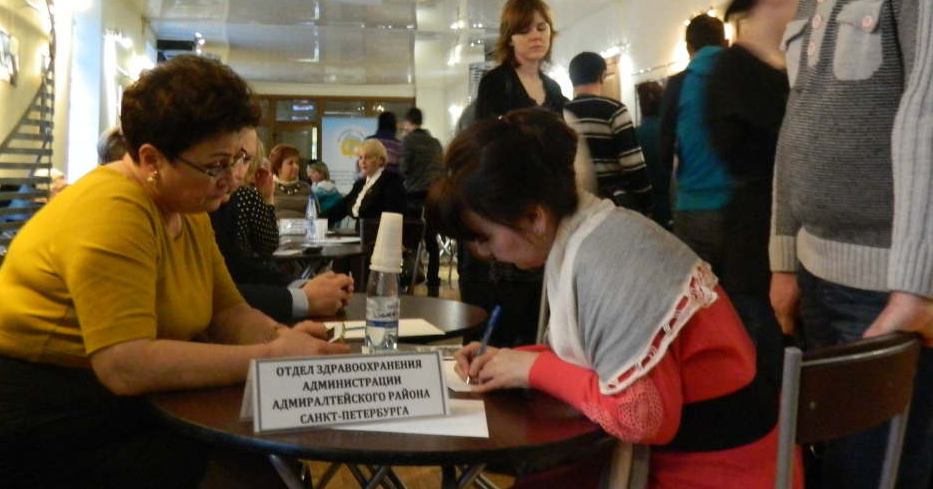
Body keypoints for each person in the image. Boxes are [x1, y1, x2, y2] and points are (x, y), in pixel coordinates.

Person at [0, 55, 348, 488]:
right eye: (216, 165)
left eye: (240, 159)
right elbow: (126, 364)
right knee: (255, 477)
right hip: (38, 437)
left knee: (271, 467)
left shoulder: (187, 206)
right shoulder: (112, 209)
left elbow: (227, 310)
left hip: (123, 415)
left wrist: (285, 341)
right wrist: (269, 358)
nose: (233, 178)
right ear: (152, 159)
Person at [428, 109, 791, 489]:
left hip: (725, 471)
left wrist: (531, 368)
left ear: (534, 216)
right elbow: (603, 359)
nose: (483, 254)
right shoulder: (597, 233)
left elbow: (641, 417)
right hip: (707, 456)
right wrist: (509, 361)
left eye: (483, 237)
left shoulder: (607, 260)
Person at [766, 0, 933, 489]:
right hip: (819, 278)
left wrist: (918, 286)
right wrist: (783, 259)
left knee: (885, 471)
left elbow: (928, 117)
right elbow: (797, 122)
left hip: (888, 289)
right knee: (835, 468)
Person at [705, 0, 802, 387]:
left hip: (793, 239)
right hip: (757, 243)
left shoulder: (789, 65)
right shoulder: (734, 69)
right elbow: (758, 157)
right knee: (771, 378)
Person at [468, 0, 568, 347]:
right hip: (508, 206)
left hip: (545, 207)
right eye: (524, 30)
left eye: (541, 27)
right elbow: (488, 146)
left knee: (543, 304)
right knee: (508, 302)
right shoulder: (497, 82)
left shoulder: (554, 89)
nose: (535, 36)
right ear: (509, 38)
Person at [210, 129, 353, 322]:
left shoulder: (304, 189)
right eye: (221, 162)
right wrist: (305, 297)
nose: (234, 174)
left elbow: (239, 267)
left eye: (244, 160)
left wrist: (306, 287)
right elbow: (218, 293)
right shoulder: (236, 197)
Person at [658, 14, 732, 274]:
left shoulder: (679, 84)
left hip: (694, 205)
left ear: (688, 47)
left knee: (698, 289)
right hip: (740, 207)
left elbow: (664, 150)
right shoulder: (744, 77)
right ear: (725, 42)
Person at [565, 51, 654, 214]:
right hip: (611, 206)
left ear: (572, 80)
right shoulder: (614, 110)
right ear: (602, 76)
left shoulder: (562, 113)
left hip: (575, 206)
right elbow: (633, 164)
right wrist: (646, 205)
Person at [400, 107, 444, 295]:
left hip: (413, 197)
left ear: (408, 122)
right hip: (433, 197)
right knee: (431, 241)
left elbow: (403, 169)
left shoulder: (408, 141)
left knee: (411, 240)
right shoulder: (435, 143)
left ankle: (412, 275)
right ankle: (433, 279)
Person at [326, 139, 406, 226]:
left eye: (368, 157)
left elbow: (394, 216)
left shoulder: (391, 181)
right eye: (360, 158)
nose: (363, 162)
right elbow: (342, 207)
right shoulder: (360, 184)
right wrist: (319, 221)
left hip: (378, 233)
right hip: (360, 232)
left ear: (381, 160)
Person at [635, 81, 673, 230]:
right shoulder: (673, 133)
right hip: (671, 204)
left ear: (641, 107)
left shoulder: (634, 135)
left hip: (643, 210)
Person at [269, 143, 313, 218]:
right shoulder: (269, 188)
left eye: (297, 162)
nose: (295, 166)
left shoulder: (306, 188)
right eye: (290, 163)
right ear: (278, 167)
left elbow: (317, 215)